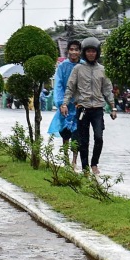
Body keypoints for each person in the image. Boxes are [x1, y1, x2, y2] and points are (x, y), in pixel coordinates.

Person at [61, 37, 116, 174]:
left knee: (99, 137)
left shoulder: (103, 70)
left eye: (94, 51)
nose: (91, 54)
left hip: (97, 109)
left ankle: (94, 164)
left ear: (97, 53)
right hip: (82, 109)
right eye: (88, 51)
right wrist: (65, 104)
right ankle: (85, 167)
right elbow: (70, 87)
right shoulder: (78, 69)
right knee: (83, 140)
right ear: (84, 53)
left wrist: (113, 107)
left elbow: (107, 90)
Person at [48, 40, 82, 169]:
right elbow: (58, 85)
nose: (74, 52)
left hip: (80, 105)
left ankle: (75, 161)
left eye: (76, 49)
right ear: (68, 51)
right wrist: (62, 103)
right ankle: (66, 159)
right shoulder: (62, 66)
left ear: (80, 51)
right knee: (65, 133)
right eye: (71, 49)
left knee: (77, 134)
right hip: (66, 105)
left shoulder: (84, 65)